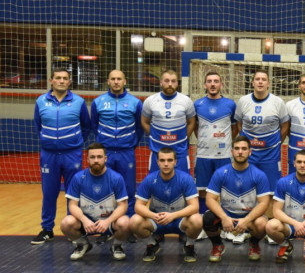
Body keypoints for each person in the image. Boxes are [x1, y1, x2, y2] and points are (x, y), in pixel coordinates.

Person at [32, 69, 91, 245]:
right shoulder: (41, 101)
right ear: (51, 80)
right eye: (58, 78)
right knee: (49, 193)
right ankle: (47, 229)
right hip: (48, 155)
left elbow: (86, 126)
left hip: (72, 154)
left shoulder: (78, 101)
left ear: (69, 82)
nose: (61, 81)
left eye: (65, 78)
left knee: (73, 193)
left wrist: (73, 143)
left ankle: (72, 228)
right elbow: (38, 126)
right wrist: (49, 142)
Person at [203, 136, 271, 262]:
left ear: (250, 152)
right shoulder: (220, 173)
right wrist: (224, 217)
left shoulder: (259, 175)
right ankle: (217, 245)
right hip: (226, 217)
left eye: (244, 149)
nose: (240, 152)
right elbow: (210, 199)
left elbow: (264, 203)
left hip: (249, 217)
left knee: (262, 224)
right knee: (207, 218)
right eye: (237, 148)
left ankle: (254, 244)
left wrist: (246, 220)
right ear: (232, 151)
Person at [60, 142, 131, 261]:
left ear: (105, 158)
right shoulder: (78, 178)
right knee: (66, 223)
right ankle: (83, 244)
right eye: (92, 157)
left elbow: (123, 206)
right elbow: (72, 205)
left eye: (99, 157)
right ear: (87, 159)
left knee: (126, 223)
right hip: (86, 223)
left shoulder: (116, 178)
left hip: (109, 222)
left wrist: (107, 221)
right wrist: (84, 220)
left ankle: (117, 245)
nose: (96, 160)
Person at [130, 147, 203, 262]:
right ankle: (151, 245)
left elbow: (195, 207)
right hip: (157, 220)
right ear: (157, 162)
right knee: (134, 220)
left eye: (169, 160)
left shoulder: (186, 179)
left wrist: (173, 216)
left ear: (175, 162)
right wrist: (153, 216)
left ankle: (189, 245)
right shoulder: (149, 179)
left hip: (179, 221)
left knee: (197, 220)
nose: (166, 164)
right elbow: (138, 206)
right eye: (162, 160)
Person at [90, 69, 143, 216]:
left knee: (128, 188)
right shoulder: (98, 102)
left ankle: (128, 220)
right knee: (104, 187)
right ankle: (104, 222)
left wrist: (131, 143)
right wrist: (104, 143)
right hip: (105, 152)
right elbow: (94, 125)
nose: (116, 82)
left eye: (119, 79)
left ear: (124, 81)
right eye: (113, 79)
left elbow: (140, 127)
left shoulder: (135, 102)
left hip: (126, 152)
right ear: (108, 81)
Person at [234, 69, 289, 191]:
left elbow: (285, 125)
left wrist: (277, 141)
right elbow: (239, 123)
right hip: (249, 154)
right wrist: (245, 140)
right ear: (252, 83)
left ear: (268, 84)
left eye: (263, 79)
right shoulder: (243, 101)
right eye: (257, 79)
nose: (260, 82)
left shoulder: (278, 102)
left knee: (271, 191)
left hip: (271, 154)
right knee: (247, 189)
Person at [193, 71, 237, 215]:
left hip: (224, 155)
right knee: (202, 190)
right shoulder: (197, 104)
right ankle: (203, 219)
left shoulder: (230, 104)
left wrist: (225, 141)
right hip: (203, 154)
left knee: (225, 189)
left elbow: (235, 128)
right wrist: (205, 140)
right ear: (205, 85)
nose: (213, 84)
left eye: (216, 81)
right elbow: (195, 126)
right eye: (209, 81)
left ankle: (223, 220)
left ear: (221, 85)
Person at [141, 69, 196, 174]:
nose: (170, 84)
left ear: (177, 83)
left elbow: (192, 122)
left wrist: (184, 137)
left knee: (182, 182)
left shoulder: (186, 101)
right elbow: (144, 121)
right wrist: (153, 134)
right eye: (166, 81)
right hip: (158, 152)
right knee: (156, 182)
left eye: (173, 81)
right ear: (161, 82)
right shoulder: (150, 100)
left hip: (180, 152)